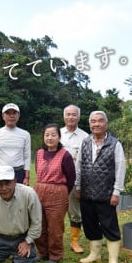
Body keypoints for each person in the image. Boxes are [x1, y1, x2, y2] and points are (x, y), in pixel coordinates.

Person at [75, 111, 126, 263]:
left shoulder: (115, 144)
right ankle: (94, 254)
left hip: (106, 194)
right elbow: (79, 165)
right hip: (87, 193)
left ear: (106, 124)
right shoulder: (85, 142)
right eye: (93, 121)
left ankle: (113, 261)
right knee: (90, 225)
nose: (96, 124)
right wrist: (78, 186)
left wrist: (116, 191)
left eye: (100, 121)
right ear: (89, 124)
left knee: (110, 227)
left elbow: (120, 169)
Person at [34, 123, 75, 263]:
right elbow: (37, 172)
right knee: (38, 223)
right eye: (47, 135)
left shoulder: (65, 155)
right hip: (39, 191)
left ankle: (55, 255)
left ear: (59, 136)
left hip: (58, 192)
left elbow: (71, 178)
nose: (50, 138)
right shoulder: (39, 153)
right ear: (43, 137)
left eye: (53, 135)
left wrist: (62, 192)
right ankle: (42, 252)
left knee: (55, 227)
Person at [60, 104, 88, 254]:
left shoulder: (85, 136)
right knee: (56, 211)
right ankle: (56, 240)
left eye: (74, 114)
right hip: (58, 180)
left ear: (78, 117)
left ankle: (75, 242)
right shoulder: (57, 134)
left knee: (75, 212)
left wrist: (81, 185)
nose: (71, 117)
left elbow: (86, 163)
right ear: (64, 116)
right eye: (68, 114)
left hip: (76, 180)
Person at [0, 103, 31, 186]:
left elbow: (27, 157)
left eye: (14, 113)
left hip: (18, 172)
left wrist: (27, 177)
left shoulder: (25, 134)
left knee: (19, 197)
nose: (11, 116)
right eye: (8, 113)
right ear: (3, 116)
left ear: (18, 116)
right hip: (0, 171)